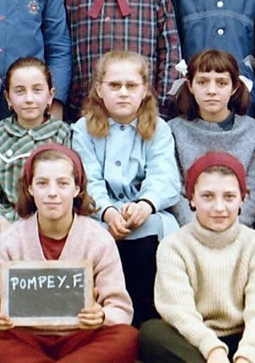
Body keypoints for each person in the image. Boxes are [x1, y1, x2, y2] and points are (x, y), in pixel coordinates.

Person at [0, 144, 140, 363]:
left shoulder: (98, 238)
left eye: (63, 183)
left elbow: (120, 306)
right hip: (25, 339)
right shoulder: (10, 239)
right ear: (29, 188)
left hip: (81, 338)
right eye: (42, 183)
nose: (52, 193)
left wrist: (102, 315)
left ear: (77, 188)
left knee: (128, 337)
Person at [139, 152, 255, 363]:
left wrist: (248, 356)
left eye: (229, 197)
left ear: (242, 199)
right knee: (152, 333)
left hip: (245, 339)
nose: (219, 207)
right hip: (196, 343)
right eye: (208, 196)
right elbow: (179, 311)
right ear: (192, 199)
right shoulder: (174, 246)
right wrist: (213, 351)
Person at [72, 51, 180, 326]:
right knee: (91, 235)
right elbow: (87, 178)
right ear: (99, 89)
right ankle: (103, 314)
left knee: (156, 231)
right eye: (114, 85)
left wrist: (145, 204)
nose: (123, 93)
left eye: (131, 86)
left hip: (143, 213)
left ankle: (147, 317)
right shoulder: (83, 129)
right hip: (100, 215)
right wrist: (107, 212)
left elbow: (164, 175)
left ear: (144, 90)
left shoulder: (160, 129)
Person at [0, 57, 72, 265]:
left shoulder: (62, 133)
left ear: (50, 96)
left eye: (37, 90)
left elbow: (69, 185)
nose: (29, 99)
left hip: (53, 223)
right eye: (19, 91)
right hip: (6, 225)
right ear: (8, 98)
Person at [168, 49, 255, 227]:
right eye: (202, 82)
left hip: (238, 228)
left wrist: (234, 228)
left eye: (221, 83)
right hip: (189, 229)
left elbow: (254, 190)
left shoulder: (253, 131)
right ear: (190, 85)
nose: (212, 91)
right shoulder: (174, 130)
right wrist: (196, 228)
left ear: (234, 87)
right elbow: (175, 189)